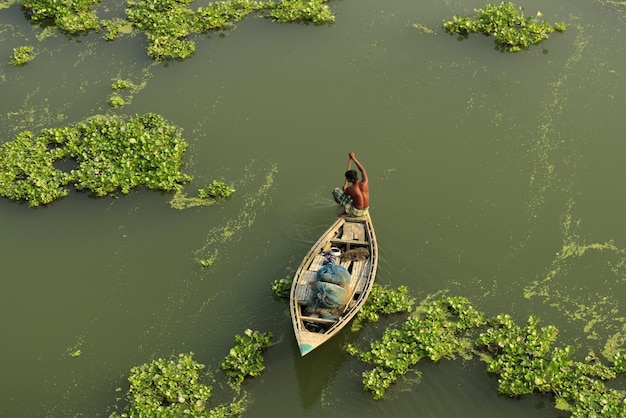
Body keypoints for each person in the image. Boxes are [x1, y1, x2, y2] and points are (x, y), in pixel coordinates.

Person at [332, 152, 369, 217]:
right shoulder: (365, 182)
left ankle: (347, 212)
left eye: (347, 178)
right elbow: (363, 170)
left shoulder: (350, 189)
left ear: (351, 180)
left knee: (336, 191)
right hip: (366, 210)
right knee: (355, 197)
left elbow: (345, 193)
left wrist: (345, 188)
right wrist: (354, 158)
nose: (346, 179)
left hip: (356, 213)